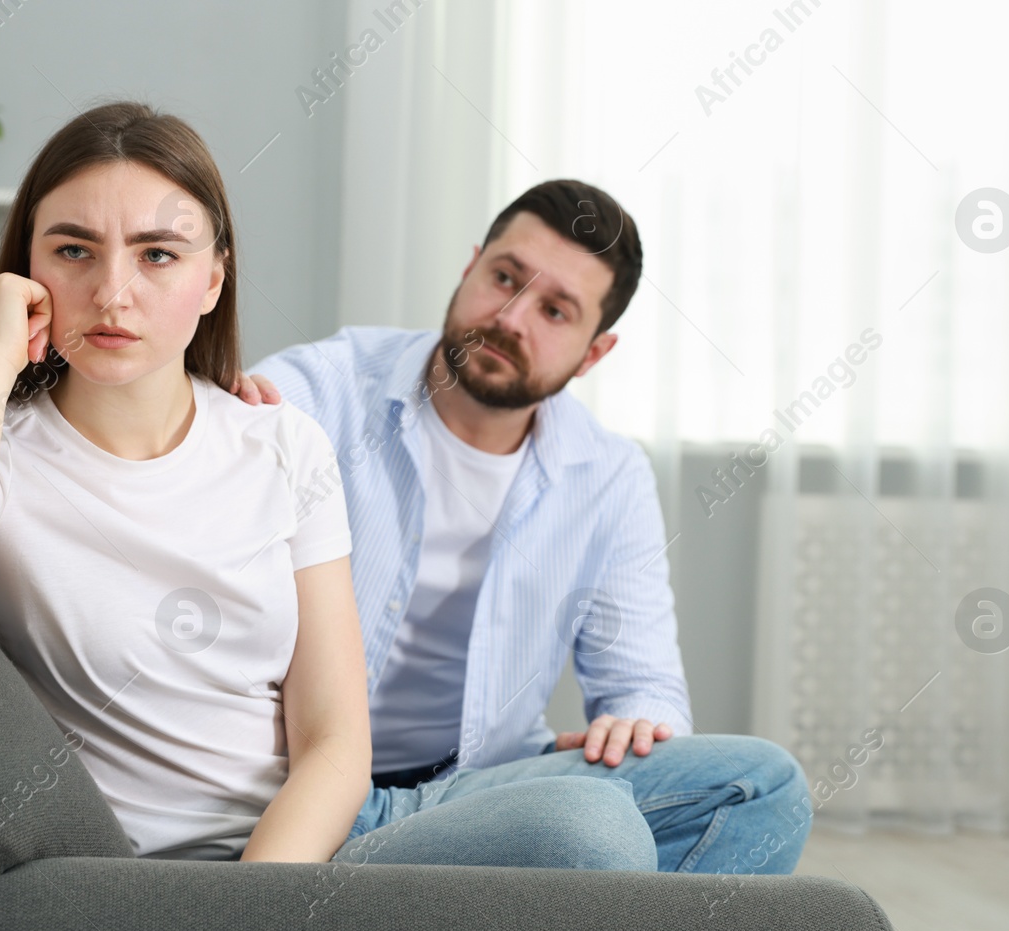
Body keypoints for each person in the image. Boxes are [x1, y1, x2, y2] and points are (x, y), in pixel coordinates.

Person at [0, 103, 660, 870]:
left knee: (614, 819)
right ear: (25, 270)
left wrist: (253, 913)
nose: (113, 292)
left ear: (212, 280)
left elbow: (335, 743)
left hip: (297, 858)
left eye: (158, 255)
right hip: (144, 879)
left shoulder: (283, 444)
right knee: (593, 836)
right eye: (73, 249)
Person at [233, 179, 815, 875]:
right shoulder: (323, 387)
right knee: (595, 838)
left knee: (765, 786)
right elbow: (194, 439)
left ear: (593, 352)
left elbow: (644, 686)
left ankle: (427, 890)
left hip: (477, 785)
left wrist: (631, 722)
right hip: (305, 786)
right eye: (504, 277)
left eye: (555, 310)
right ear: (470, 265)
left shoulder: (609, 474)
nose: (511, 318)